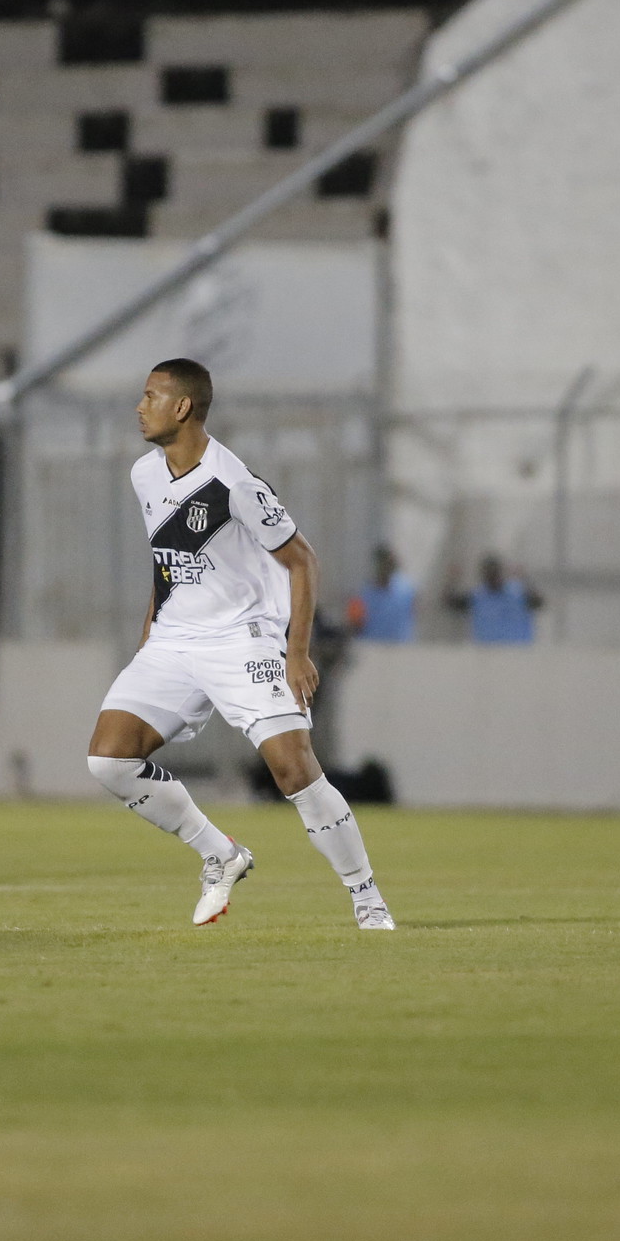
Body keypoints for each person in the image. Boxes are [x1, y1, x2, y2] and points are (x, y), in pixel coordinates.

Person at [86, 358, 395, 930]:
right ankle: (219, 853)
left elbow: (302, 562)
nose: (139, 406)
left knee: (295, 772)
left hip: (241, 641)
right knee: (108, 759)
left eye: (150, 395)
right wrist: (149, 640)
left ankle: (366, 896)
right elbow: (168, 564)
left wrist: (295, 651)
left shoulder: (236, 485)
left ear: (182, 407)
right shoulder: (144, 475)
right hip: (173, 642)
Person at [443, 554, 542, 644]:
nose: (493, 577)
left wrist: (525, 578)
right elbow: (450, 602)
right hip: (488, 654)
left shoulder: (518, 593)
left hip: (518, 652)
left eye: (495, 573)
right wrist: (452, 579)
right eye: (489, 574)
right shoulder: (477, 597)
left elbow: (539, 602)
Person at [346, 544, 416, 642]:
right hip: (372, 648)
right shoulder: (364, 594)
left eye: (388, 563)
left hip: (401, 649)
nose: (385, 567)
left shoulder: (406, 590)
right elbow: (356, 625)